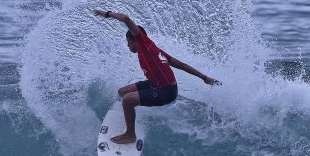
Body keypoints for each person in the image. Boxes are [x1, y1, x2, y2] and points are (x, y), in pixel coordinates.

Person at [92, 9, 221, 144]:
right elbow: (181, 65)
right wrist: (204, 77)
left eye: (128, 41)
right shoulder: (156, 52)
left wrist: (105, 14)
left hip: (166, 92)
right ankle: (127, 114)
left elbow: (125, 18)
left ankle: (130, 134)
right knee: (122, 92)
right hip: (154, 84)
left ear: (134, 40)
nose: (127, 45)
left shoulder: (144, 44)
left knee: (128, 99)